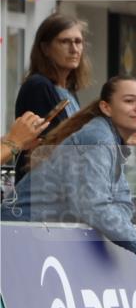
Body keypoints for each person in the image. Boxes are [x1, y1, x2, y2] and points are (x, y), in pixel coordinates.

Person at [6, 76, 136, 257]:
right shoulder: (99, 139)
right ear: (106, 108)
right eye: (129, 101)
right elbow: (93, 205)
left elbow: (121, 202)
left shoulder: (109, 140)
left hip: (34, 236)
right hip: (17, 235)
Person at [14, 13, 91, 182]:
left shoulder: (68, 91)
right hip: (42, 191)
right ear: (45, 48)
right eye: (65, 41)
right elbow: (44, 147)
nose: (74, 49)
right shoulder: (39, 86)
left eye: (78, 42)